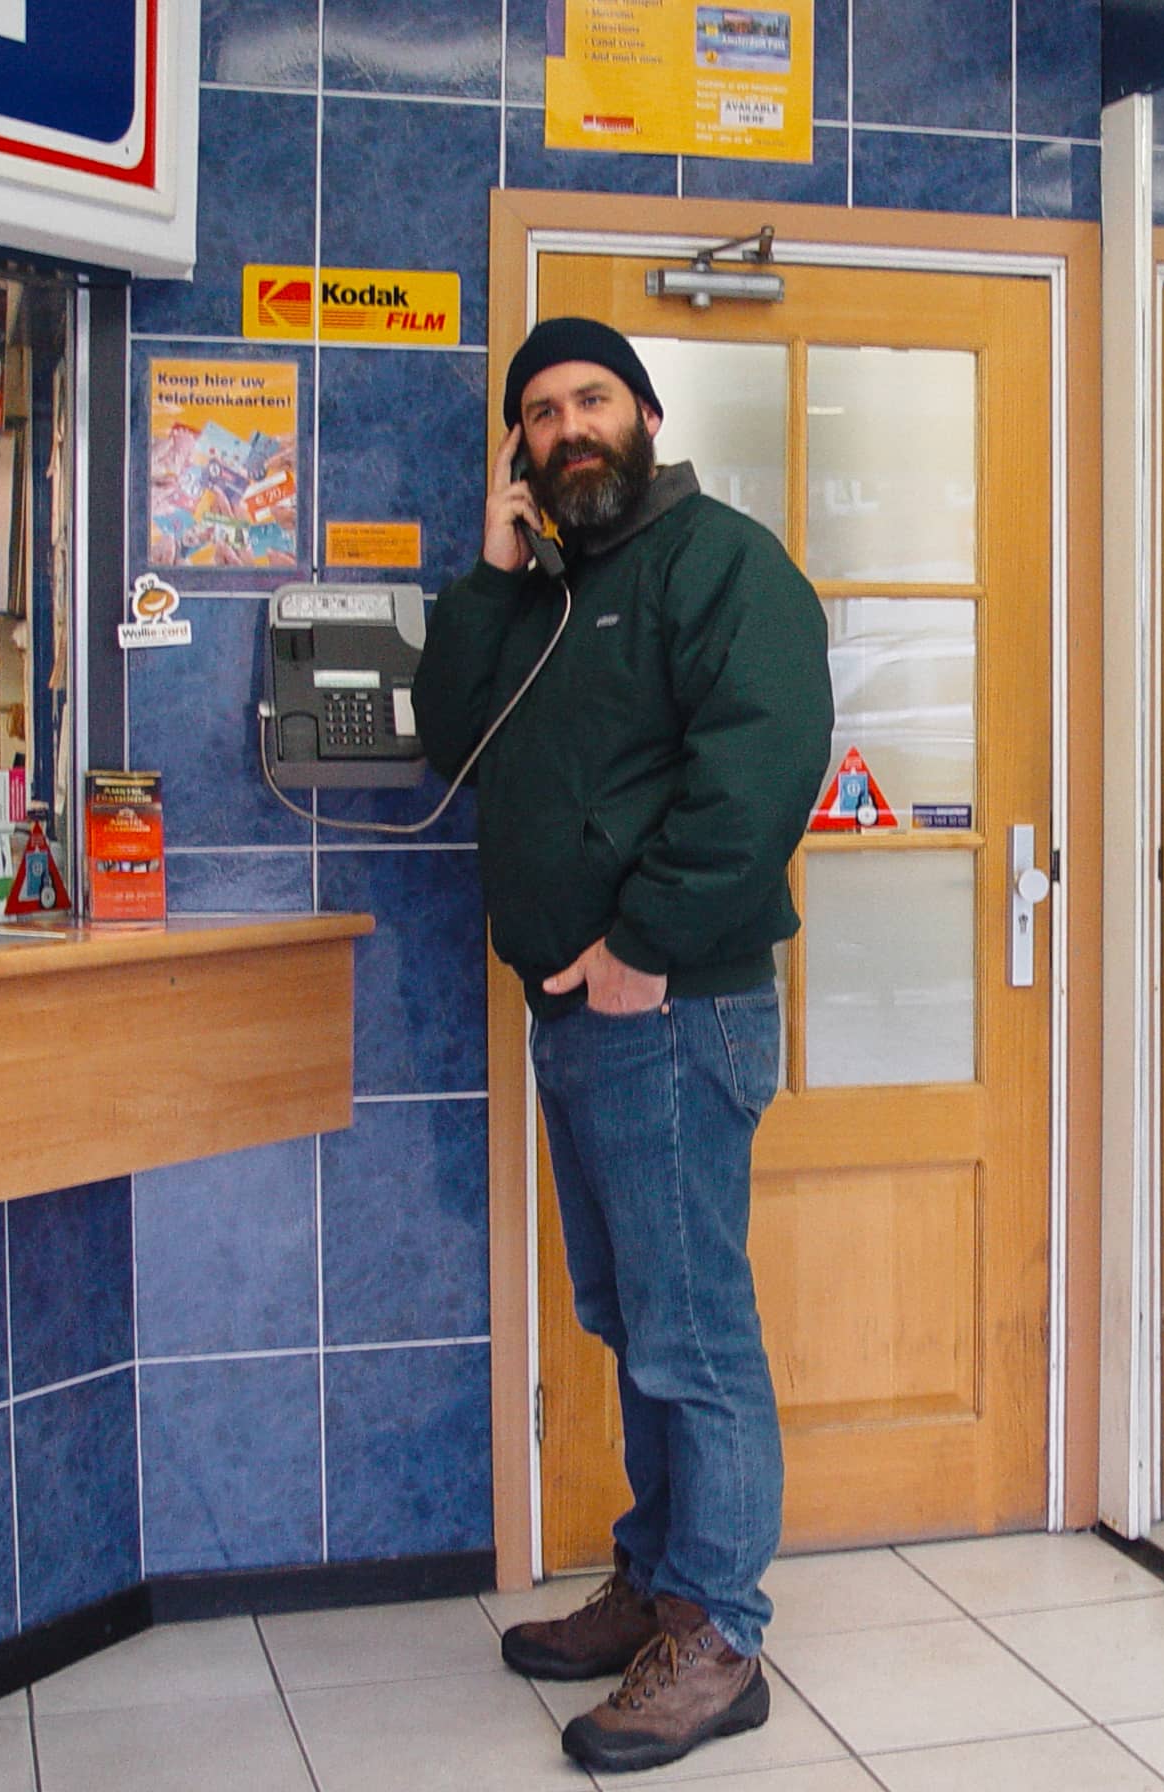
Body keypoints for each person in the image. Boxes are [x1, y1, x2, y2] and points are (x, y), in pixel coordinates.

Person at [412, 317, 834, 1773]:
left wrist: (645, 947)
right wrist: (494, 567)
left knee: (693, 1333)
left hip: (671, 1008)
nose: (565, 425)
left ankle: (717, 1633)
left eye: (591, 397)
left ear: (645, 413)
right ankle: (660, 1583)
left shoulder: (721, 563)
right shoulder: (549, 590)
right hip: (579, 1018)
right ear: (520, 454)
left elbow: (764, 765)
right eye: (538, 411)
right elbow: (447, 740)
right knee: (630, 1320)